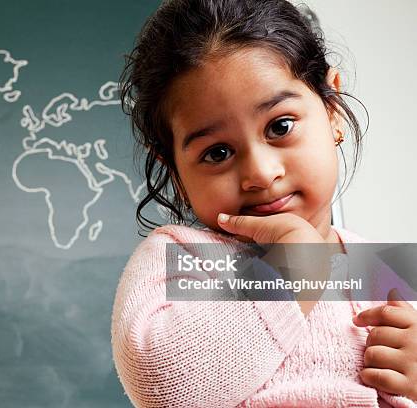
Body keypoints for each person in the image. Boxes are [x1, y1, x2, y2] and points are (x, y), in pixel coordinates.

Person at [110, 0, 417, 406]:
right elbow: (162, 386)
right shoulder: (184, 256)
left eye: (280, 126)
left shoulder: (382, 267)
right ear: (176, 171)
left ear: (332, 110)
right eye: (217, 153)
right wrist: (295, 270)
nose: (260, 172)